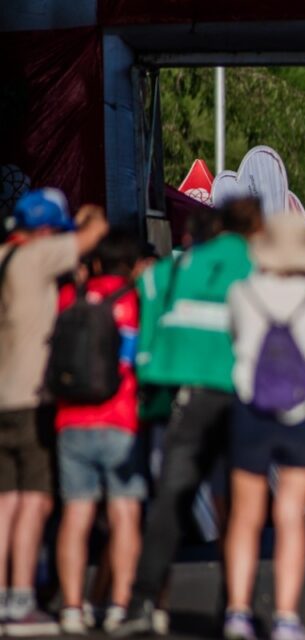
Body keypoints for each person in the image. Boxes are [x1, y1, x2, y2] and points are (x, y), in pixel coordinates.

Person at [116, 197, 262, 636]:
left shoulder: (170, 271)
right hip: (240, 397)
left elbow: (145, 319)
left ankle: (144, 602)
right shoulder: (256, 267)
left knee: (170, 502)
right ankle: (237, 608)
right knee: (235, 509)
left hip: (183, 398)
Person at [222, 215, 305, 640]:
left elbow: (232, 341)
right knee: (291, 514)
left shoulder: (240, 293)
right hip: (299, 411)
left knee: (244, 515)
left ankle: (237, 611)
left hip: (249, 407)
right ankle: (285, 617)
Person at [0, 189, 108, 636]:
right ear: (45, 229)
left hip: (1, 396)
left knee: (3, 503)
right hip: (31, 398)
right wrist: (87, 215)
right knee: (34, 501)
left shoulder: (4, 254)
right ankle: (22, 600)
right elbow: (95, 232)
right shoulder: (37, 255)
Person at [54, 232, 146, 635]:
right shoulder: (134, 301)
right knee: (124, 514)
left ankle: (72, 607)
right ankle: (117, 606)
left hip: (70, 420)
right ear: (128, 264)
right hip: (120, 418)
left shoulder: (69, 298)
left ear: (94, 263)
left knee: (76, 515)